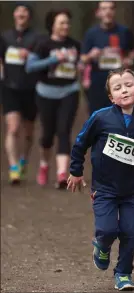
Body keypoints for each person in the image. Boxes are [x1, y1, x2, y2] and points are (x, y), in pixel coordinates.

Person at [67, 68, 134, 290]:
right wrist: (76, 170)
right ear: (112, 97)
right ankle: (102, 245)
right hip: (104, 189)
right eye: (118, 87)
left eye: (129, 85)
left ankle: (123, 274)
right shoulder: (100, 118)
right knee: (107, 230)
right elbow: (81, 143)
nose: (124, 90)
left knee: (131, 232)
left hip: (132, 191)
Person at [26, 9, 81, 189]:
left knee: (64, 130)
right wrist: (52, 60)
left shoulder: (74, 45)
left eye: (67, 23)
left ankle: (62, 174)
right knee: (47, 134)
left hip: (69, 91)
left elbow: (79, 65)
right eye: (62, 23)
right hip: (46, 93)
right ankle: (44, 165)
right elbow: (30, 67)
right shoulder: (42, 44)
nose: (66, 26)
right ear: (53, 25)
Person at [0, 2, 38, 184]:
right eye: (19, 10)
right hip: (9, 87)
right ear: (14, 14)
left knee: (28, 133)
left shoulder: (37, 38)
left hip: (31, 89)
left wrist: (30, 56)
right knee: (13, 128)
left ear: (29, 16)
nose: (21, 13)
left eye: (25, 11)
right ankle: (13, 167)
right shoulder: (5, 37)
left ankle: (23, 159)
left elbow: (43, 59)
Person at [81, 1, 134, 115]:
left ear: (114, 11)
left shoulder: (124, 31)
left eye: (111, 8)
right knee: (98, 120)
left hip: (120, 84)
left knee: (119, 121)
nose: (108, 12)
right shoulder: (91, 34)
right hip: (97, 84)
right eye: (104, 9)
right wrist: (91, 55)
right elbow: (83, 58)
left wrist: (129, 60)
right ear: (98, 13)